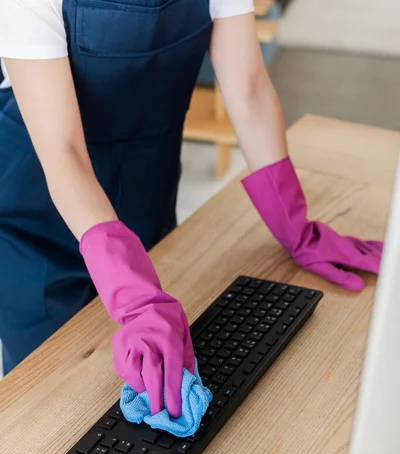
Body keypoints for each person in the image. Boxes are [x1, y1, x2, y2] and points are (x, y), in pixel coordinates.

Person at [0, 1, 382, 415]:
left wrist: (294, 224)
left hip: (146, 199)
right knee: (54, 402)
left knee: (159, 382)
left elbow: (249, 88)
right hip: (38, 223)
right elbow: (63, 151)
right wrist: (137, 300)